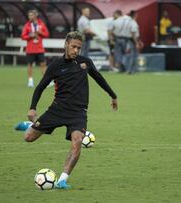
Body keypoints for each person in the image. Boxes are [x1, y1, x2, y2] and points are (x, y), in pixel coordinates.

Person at [24, 31, 118, 189]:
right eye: (73, 46)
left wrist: (113, 96)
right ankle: (27, 124)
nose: (76, 50)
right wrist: (33, 108)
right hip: (57, 109)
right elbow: (40, 87)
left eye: (79, 48)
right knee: (28, 138)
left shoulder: (85, 62)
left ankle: (62, 179)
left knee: (77, 141)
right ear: (66, 45)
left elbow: (99, 78)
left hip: (78, 112)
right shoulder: (55, 65)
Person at [21, 10, 50, 88]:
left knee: (43, 64)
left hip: (39, 49)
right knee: (30, 65)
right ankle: (30, 81)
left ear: (35, 15)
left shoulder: (41, 24)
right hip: (30, 49)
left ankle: (46, 81)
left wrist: (40, 33)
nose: (29, 17)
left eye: (31, 15)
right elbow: (23, 36)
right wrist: (30, 36)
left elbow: (47, 34)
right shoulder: (27, 25)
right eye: (29, 15)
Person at [126, 10, 142, 74]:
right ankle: (130, 70)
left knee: (133, 56)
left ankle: (132, 70)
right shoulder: (133, 23)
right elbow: (133, 34)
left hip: (132, 40)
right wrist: (136, 43)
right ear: (134, 14)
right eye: (136, 14)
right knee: (133, 56)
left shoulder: (130, 22)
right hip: (133, 40)